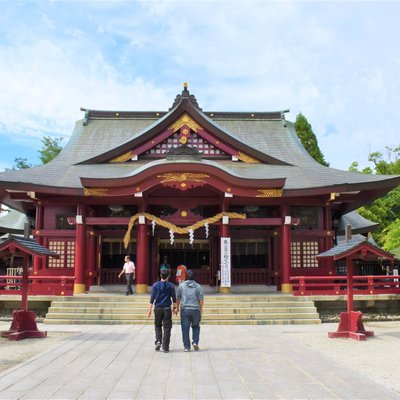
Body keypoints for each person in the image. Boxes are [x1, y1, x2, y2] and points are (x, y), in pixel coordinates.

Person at [147, 269, 177, 353]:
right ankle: (165, 347)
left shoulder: (155, 285)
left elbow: (152, 299)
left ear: (160, 275)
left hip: (158, 308)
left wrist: (149, 310)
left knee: (157, 325)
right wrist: (175, 309)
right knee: (167, 328)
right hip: (167, 308)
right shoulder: (171, 286)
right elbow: (174, 299)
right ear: (168, 276)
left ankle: (158, 341)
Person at [176, 269, 204, 352]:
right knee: (196, 326)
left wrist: (177, 307)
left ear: (185, 277)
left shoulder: (181, 286)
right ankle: (195, 342)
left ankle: (186, 347)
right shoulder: (199, 286)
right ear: (194, 277)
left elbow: (178, 297)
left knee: (185, 329)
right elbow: (201, 299)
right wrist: (201, 308)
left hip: (185, 310)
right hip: (195, 309)